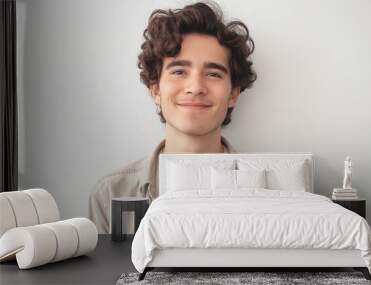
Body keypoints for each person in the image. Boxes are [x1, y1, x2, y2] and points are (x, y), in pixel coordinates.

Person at [89, 1, 257, 234]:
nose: (196, 87)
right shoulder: (110, 194)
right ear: (155, 89)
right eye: (179, 71)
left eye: (213, 73)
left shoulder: (267, 190)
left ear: (233, 94)